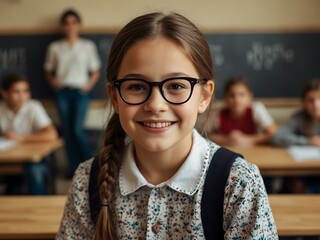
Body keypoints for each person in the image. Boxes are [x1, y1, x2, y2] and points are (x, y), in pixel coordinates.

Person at [56, 13, 278, 239]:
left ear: (204, 96)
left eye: (176, 85)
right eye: (136, 87)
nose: (155, 105)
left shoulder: (238, 183)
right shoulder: (88, 180)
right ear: (114, 96)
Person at [44, 9, 101, 177]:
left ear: (79, 25)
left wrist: (88, 85)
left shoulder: (87, 45)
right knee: (67, 133)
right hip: (62, 92)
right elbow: (48, 69)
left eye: (73, 22)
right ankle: (73, 169)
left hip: (81, 92)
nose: (70, 26)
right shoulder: (55, 47)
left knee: (77, 130)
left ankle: (90, 167)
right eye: (66, 23)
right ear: (63, 26)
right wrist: (53, 81)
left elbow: (95, 70)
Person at [0, 72, 58, 194]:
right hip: (9, 158)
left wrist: (19, 138)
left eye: (25, 91)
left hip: (33, 159)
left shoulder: (33, 107)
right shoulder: (1, 108)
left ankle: (37, 207)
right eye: (16, 92)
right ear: (4, 93)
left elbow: (52, 134)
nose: (22, 96)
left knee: (35, 171)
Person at [273, 78, 320, 193]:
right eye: (311, 100)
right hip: (304, 170)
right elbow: (277, 137)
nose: (316, 104)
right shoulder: (299, 117)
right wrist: (307, 141)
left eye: (319, 99)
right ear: (303, 102)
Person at [210, 76, 276, 147]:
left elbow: (273, 134)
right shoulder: (218, 114)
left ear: (249, 97)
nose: (237, 100)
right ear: (225, 98)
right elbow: (206, 136)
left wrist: (246, 140)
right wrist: (227, 139)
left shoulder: (257, 110)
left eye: (242, 95)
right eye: (232, 95)